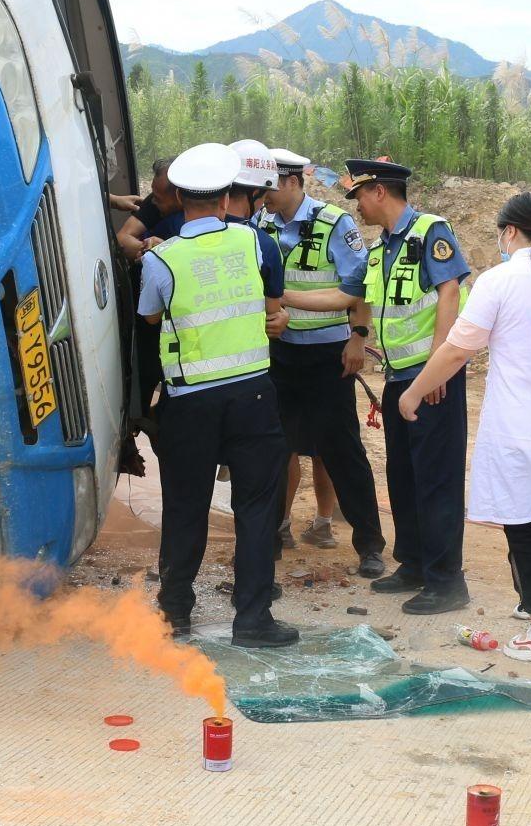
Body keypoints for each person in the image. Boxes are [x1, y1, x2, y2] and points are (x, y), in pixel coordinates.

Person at [398, 193, 531, 663]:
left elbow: (457, 349)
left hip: (520, 432)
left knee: (525, 531)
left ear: (509, 232)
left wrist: (413, 391)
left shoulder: (501, 280)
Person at [291, 158, 472, 613]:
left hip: (431, 379)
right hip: (397, 379)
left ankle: (446, 580)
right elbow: (346, 296)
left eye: (360, 199)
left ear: (379, 192)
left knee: (436, 480)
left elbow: (449, 293)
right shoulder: (382, 249)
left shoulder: (431, 231)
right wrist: (281, 295)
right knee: (404, 475)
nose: (358, 209)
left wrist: (436, 369)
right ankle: (412, 564)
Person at [138, 143, 298, 648]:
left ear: (179, 198)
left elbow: (148, 317)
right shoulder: (255, 246)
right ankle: (252, 620)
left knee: (185, 505)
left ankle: (175, 614)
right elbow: (274, 309)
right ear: (228, 198)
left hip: (190, 403)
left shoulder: (162, 258)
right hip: (252, 393)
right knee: (255, 506)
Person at [254, 147, 387, 576]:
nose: (264, 195)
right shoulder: (260, 224)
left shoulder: (335, 223)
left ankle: (369, 545)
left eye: (271, 187)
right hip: (277, 355)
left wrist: (358, 337)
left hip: (327, 356)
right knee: (274, 448)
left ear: (293, 182)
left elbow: (358, 286)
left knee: (342, 449)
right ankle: (272, 536)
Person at [116, 157, 180, 262]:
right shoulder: (156, 199)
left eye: (159, 199)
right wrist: (150, 250)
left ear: (179, 197)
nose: (153, 201)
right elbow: (122, 238)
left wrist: (166, 251)